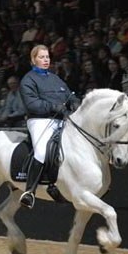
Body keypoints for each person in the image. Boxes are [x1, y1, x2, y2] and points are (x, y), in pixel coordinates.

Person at [19, 44, 80, 209]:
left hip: (61, 119)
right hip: (39, 121)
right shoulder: (28, 80)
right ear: (33, 60)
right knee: (41, 151)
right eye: (41, 57)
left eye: (47, 57)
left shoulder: (56, 78)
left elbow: (69, 95)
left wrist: (75, 103)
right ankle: (29, 192)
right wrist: (53, 106)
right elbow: (32, 104)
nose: (45, 60)